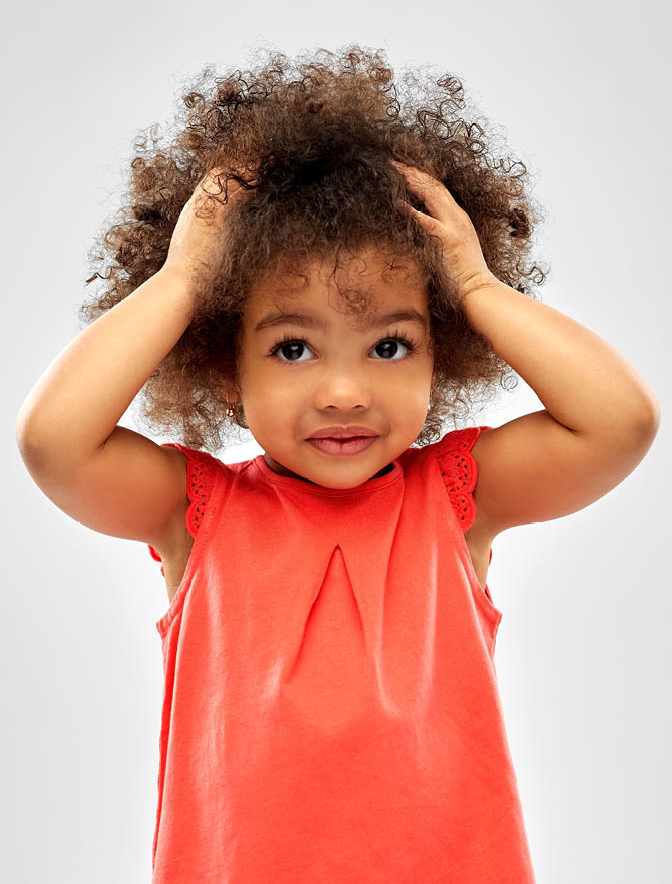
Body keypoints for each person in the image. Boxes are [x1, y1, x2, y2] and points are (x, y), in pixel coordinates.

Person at [15, 46, 660, 883]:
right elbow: (51, 443)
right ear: (221, 365)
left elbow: (623, 422)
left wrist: (474, 282)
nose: (346, 391)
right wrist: (184, 279)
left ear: (444, 354)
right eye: (293, 347)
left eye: (391, 343)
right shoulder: (196, 512)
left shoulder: (455, 498)